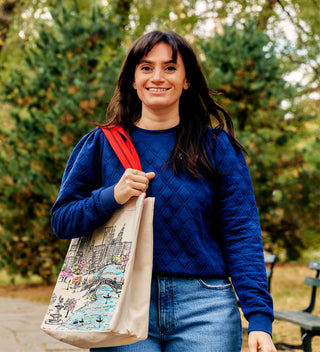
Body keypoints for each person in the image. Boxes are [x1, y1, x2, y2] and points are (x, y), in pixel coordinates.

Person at [51, 31, 277, 352]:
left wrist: (259, 320)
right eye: (146, 68)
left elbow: (241, 234)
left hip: (205, 308)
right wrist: (111, 195)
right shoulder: (101, 144)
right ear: (132, 79)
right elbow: (62, 220)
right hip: (119, 300)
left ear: (186, 80)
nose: (157, 77)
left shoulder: (215, 146)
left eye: (170, 68)